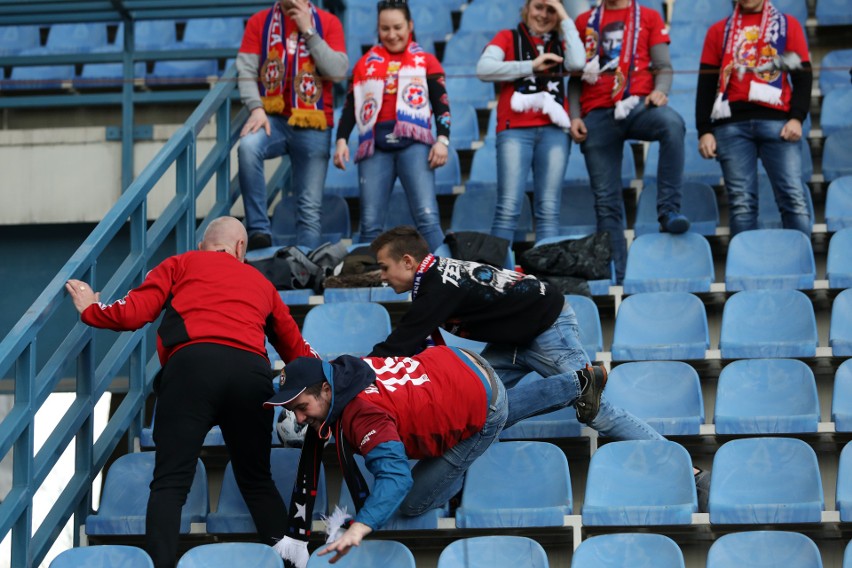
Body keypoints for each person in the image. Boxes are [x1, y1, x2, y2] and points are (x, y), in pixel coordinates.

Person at [367, 226, 710, 507]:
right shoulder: (432, 279)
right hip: (513, 338)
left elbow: (400, 343)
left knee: (596, 411)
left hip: (547, 329)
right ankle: (456, 494)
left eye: (384, 267)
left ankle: (689, 473)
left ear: (408, 261)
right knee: (475, 406)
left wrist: (356, 371)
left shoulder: (436, 284)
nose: (382, 276)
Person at [65, 217, 318, 568]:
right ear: (241, 248)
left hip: (190, 370)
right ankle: (292, 566)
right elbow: (298, 352)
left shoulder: (180, 263)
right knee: (257, 481)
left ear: (203, 246)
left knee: (170, 484)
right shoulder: (262, 283)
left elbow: (133, 313)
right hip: (250, 373)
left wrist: (92, 310)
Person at [266, 346, 607, 566]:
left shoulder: (362, 414)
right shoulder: (342, 369)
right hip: (458, 361)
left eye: (301, 407)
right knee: (491, 407)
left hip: (478, 396)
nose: (298, 419)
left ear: (326, 390)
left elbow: (396, 479)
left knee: (413, 502)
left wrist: (361, 526)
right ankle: (578, 383)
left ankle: (466, 459)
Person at [569, 0, 690, 283]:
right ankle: (618, 278)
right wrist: (574, 116)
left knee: (672, 124)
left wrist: (660, 92)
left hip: (637, 105)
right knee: (606, 202)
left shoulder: (648, 15)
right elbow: (574, 78)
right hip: (596, 112)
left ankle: (668, 211)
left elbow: (663, 66)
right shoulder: (584, 20)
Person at [333, 0, 449, 251]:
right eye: (385, 29)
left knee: (427, 218)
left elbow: (441, 105)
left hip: (416, 145)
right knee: (370, 224)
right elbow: (351, 107)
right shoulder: (364, 63)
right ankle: (366, 284)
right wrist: (341, 139)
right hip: (374, 145)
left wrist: (442, 140)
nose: (392, 34)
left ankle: (444, 278)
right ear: (377, 28)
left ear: (410, 25)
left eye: (398, 27)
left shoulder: (427, 61)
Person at [237, 0, 348, 251]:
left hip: (315, 121)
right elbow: (245, 69)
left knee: (309, 207)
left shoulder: (329, 22)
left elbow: (338, 72)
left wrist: (309, 30)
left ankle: (306, 264)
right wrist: (255, 107)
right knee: (248, 147)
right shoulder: (260, 22)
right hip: (272, 118)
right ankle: (258, 230)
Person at [696, 0, 812, 236]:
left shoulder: (788, 25)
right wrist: (704, 130)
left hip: (779, 124)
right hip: (730, 126)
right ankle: (745, 269)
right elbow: (706, 85)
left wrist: (797, 118)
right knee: (742, 206)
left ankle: (801, 265)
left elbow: (803, 77)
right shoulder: (718, 31)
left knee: (793, 199)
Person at [476, 0, 585, 242]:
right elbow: (483, 69)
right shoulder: (507, 36)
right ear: (526, 8)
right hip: (514, 130)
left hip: (555, 131)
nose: (544, 15)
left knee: (548, 210)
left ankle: (546, 278)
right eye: (538, 7)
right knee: (508, 208)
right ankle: (493, 277)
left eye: (551, 10)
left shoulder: (562, 42)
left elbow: (578, 62)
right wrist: (531, 66)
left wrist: (564, 15)